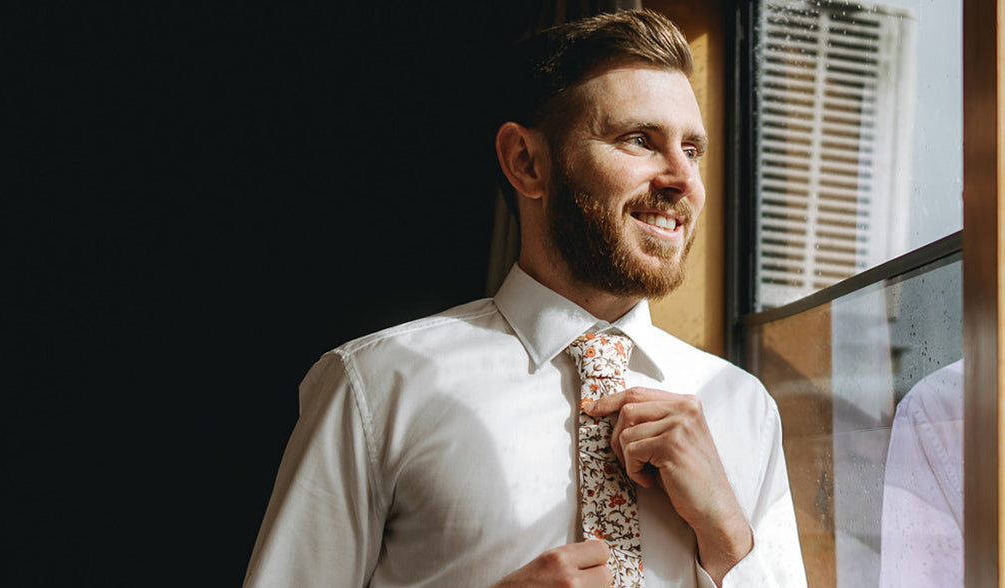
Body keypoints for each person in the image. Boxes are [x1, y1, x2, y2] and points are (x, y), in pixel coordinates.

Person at [244, 10, 805, 588]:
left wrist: (729, 536)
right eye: (639, 140)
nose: (682, 178)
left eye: (692, 150)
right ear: (525, 162)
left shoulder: (744, 408)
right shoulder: (378, 385)